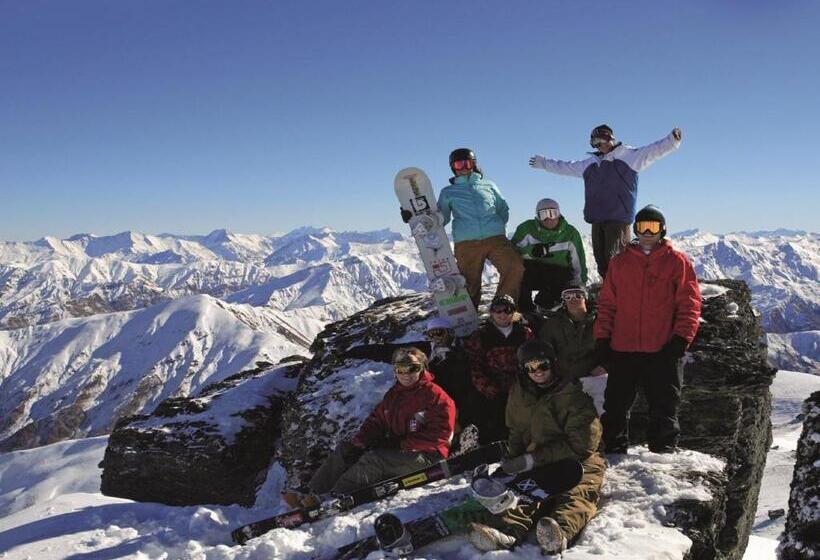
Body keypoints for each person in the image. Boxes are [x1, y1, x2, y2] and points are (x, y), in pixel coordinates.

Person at [467, 340, 606, 554]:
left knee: (578, 493)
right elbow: (516, 430)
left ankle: (559, 533)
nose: (537, 372)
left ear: (552, 364)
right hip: (534, 455)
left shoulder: (573, 396)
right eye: (530, 367)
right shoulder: (520, 393)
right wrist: (512, 460)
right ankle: (507, 531)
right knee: (522, 489)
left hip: (579, 460)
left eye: (542, 365)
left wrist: (531, 459)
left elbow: (583, 445)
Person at [593, 205, 702, 454]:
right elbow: (607, 304)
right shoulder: (620, 263)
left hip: (662, 347)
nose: (647, 233)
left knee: (664, 404)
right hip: (624, 346)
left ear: (662, 230)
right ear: (635, 230)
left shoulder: (677, 262)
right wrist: (602, 338)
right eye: (642, 227)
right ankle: (613, 449)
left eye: (653, 227)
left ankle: (663, 452)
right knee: (616, 404)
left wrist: (681, 339)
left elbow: (690, 304)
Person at [286, 347, 455, 506]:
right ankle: (313, 493)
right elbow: (377, 420)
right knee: (346, 451)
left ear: (422, 368)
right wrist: (360, 442)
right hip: (401, 450)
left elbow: (441, 435)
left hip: (427, 457)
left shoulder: (435, 396)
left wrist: (401, 444)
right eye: (400, 369)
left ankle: (333, 499)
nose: (405, 374)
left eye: (412, 368)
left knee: (375, 459)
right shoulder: (394, 394)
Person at [529, 125, 682, 278]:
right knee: (601, 261)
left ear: (609, 138)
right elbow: (565, 167)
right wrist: (544, 163)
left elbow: (653, 151)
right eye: (593, 143)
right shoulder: (590, 164)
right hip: (597, 219)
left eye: (599, 140)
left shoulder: (628, 156)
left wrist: (671, 141)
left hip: (618, 219)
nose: (597, 145)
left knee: (616, 260)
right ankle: (609, 293)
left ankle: (622, 294)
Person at [437, 148, 525, 308]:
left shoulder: (488, 185)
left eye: (468, 163)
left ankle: (502, 308)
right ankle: (469, 320)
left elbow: (502, 208)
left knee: (515, 267)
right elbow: (441, 218)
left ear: (474, 164)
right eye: (459, 164)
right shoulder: (448, 192)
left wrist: (496, 226)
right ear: (453, 167)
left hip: (496, 239)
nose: (463, 168)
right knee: (469, 283)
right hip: (467, 243)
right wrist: (417, 217)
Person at [464, 295, 533, 444]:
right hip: (492, 390)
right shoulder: (481, 336)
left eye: (507, 310)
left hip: (520, 387)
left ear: (514, 312)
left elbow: (532, 360)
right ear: (491, 312)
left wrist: (525, 385)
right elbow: (475, 366)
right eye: (497, 310)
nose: (502, 314)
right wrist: (488, 388)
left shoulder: (524, 333)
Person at [511, 197, 588, 312]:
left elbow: (578, 263)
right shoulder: (526, 229)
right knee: (519, 273)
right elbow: (512, 251)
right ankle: (525, 311)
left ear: (559, 214)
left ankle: (546, 308)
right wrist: (531, 251)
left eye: (553, 213)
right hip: (534, 271)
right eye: (543, 215)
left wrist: (580, 287)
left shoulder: (570, 233)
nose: (548, 219)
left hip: (559, 274)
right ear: (537, 217)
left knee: (551, 298)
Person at [539, 287, 605, 383]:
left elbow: (614, 345)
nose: (572, 300)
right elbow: (544, 350)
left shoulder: (601, 320)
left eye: (577, 296)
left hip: (596, 377)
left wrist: (605, 366)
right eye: (567, 297)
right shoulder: (553, 323)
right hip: (564, 380)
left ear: (585, 298)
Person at [424, 316, 476, 431]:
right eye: (431, 334)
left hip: (462, 402)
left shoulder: (463, 352)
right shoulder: (430, 354)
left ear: (449, 333)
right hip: (438, 402)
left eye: (439, 332)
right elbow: (393, 350)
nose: (436, 337)